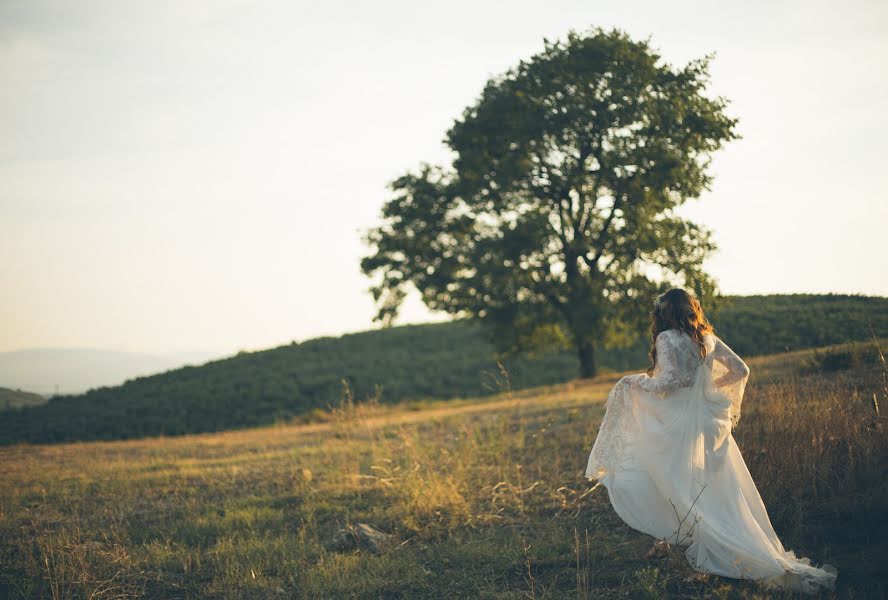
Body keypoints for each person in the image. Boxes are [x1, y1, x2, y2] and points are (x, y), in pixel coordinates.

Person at [584, 288, 837, 594]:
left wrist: (635, 382)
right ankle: (679, 541)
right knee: (711, 488)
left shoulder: (666, 339)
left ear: (664, 313)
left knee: (665, 478)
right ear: (692, 309)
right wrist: (708, 391)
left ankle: (698, 544)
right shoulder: (707, 338)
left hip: (680, 425)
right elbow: (740, 370)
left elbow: (673, 380)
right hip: (709, 423)